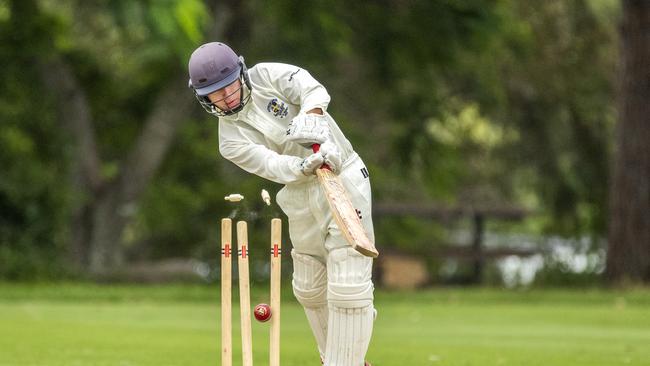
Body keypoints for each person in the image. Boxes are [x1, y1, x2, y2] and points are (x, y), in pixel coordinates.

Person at [188, 42, 375, 366]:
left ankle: (345, 362)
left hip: (342, 176)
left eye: (228, 85)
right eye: (215, 94)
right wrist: (303, 167)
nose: (226, 96)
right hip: (298, 190)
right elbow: (269, 164)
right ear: (205, 98)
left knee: (347, 284)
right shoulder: (228, 139)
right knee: (309, 287)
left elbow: (310, 87)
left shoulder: (268, 76)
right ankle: (337, 357)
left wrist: (312, 114)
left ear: (241, 73)